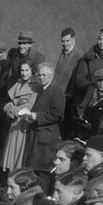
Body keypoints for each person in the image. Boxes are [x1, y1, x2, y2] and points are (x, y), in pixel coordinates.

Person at [27, 62, 65, 190]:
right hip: (39, 136)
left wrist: (36, 116)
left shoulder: (56, 91)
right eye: (39, 75)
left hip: (46, 139)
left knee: (44, 173)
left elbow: (57, 114)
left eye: (44, 75)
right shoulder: (43, 89)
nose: (41, 78)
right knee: (37, 172)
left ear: (51, 75)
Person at [1, 61, 39, 174]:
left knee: (19, 151)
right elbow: (10, 100)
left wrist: (15, 110)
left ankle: (17, 172)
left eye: (27, 70)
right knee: (12, 149)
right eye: (22, 70)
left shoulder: (35, 85)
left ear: (32, 71)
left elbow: (31, 104)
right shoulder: (19, 82)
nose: (24, 73)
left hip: (24, 122)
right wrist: (9, 108)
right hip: (14, 121)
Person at [72, 27, 103, 99]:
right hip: (90, 96)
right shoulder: (87, 58)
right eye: (99, 39)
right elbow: (80, 78)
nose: (101, 42)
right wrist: (90, 87)